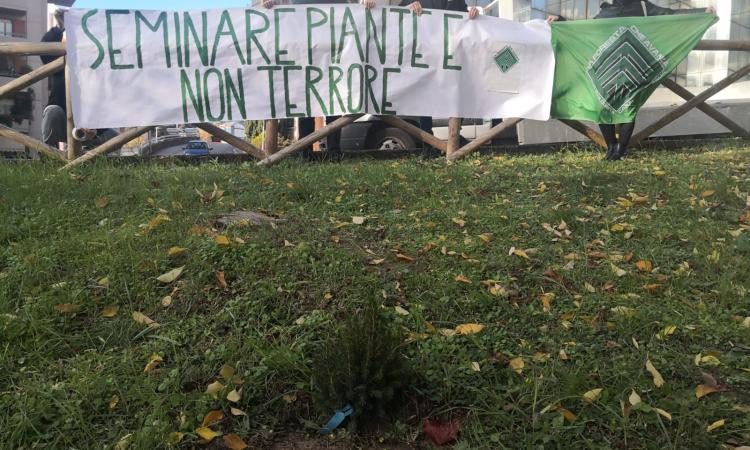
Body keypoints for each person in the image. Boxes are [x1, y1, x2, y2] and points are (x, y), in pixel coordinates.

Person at [548, 1, 715, 161]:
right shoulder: (607, 10)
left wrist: (701, 12)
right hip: (607, 68)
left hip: (636, 66)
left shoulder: (643, 6)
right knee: (601, 107)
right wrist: (561, 21)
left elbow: (670, 14)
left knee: (629, 107)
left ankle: (621, 149)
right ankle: (612, 145)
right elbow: (584, 30)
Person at [382, 0, 480, 150]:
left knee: (458, 94)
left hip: (450, 58)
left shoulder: (458, 2)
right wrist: (410, 8)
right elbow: (395, 16)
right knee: (425, 97)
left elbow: (466, 22)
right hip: (426, 57)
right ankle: (427, 141)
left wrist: (474, 15)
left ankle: (455, 137)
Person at [40, 9, 118, 151]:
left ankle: (89, 156)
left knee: (114, 136)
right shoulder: (61, 59)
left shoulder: (98, 64)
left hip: (90, 122)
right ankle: (48, 155)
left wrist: (94, 127)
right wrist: (62, 27)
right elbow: (45, 46)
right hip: (62, 116)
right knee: (52, 112)